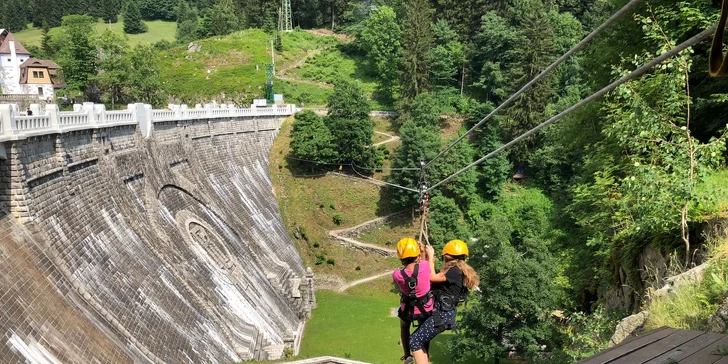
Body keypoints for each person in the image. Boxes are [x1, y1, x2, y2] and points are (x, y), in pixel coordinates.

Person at [409, 240, 480, 364]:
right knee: (421, 341)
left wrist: (430, 256)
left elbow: (432, 277)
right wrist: (423, 254)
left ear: (447, 256)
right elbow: (428, 272)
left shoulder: (454, 271)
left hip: (442, 315)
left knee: (415, 341)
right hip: (443, 314)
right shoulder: (457, 270)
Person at [393, 237, 434, 364]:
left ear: (401, 258)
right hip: (425, 309)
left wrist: (419, 254)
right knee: (424, 332)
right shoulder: (425, 266)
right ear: (416, 256)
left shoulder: (397, 275)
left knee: (404, 327)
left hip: (407, 310)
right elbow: (424, 265)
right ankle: (425, 356)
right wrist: (425, 253)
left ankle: (407, 356)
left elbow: (414, 269)